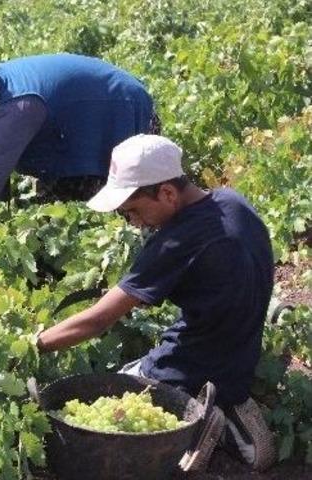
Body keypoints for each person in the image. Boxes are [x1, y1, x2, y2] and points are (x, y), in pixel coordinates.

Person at [36, 134, 277, 472]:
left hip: (193, 360)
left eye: (133, 210)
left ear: (167, 193)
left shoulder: (175, 243)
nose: (133, 222)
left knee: (118, 400)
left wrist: (36, 344)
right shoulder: (234, 202)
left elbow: (97, 321)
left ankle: (198, 419)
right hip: (242, 352)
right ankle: (223, 399)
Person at [0, 31, 158, 242]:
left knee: (134, 216)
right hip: (69, 130)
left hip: (120, 109)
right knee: (59, 224)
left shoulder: (14, 108)